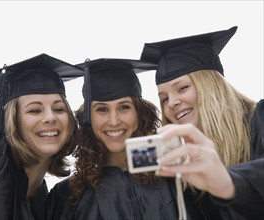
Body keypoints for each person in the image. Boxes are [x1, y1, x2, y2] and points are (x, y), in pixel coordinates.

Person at [45, 58, 241, 220]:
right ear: (87, 118)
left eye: (124, 107)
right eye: (102, 109)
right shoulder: (67, 197)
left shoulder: (180, 177)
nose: (114, 121)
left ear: (140, 113)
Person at [140, 26, 264, 219]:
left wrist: (228, 181)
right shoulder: (187, 165)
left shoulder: (259, 119)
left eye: (182, 88)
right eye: (164, 99)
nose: (171, 103)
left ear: (210, 85)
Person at [0, 53, 83, 220]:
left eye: (59, 109)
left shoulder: (47, 202)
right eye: (35, 110)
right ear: (13, 119)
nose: (50, 117)